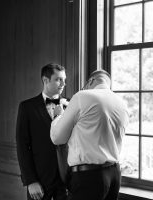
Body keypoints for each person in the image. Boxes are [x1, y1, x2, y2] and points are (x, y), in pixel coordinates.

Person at [50, 69, 129, 200]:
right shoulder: (121, 103)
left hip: (89, 178)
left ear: (90, 81)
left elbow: (57, 138)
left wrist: (59, 116)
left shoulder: (83, 96)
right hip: (114, 174)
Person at [16, 63, 68, 200]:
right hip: (40, 179)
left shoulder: (71, 105)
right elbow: (22, 146)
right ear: (45, 80)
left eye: (64, 79)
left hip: (67, 180)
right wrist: (30, 181)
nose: (63, 83)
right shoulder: (27, 107)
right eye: (58, 79)